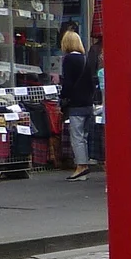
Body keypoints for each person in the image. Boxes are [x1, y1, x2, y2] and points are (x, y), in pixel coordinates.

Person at [58, 28, 100, 175]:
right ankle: (86, 162)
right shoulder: (85, 59)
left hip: (76, 103)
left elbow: (68, 83)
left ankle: (81, 166)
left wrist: (63, 98)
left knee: (76, 136)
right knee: (85, 136)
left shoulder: (69, 60)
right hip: (88, 103)